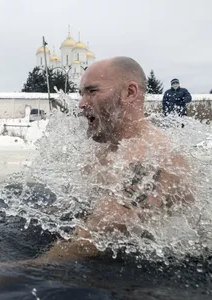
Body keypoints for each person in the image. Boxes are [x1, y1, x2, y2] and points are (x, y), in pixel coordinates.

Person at [35, 57, 194, 262]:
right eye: (81, 94)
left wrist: (11, 275)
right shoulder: (103, 151)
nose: (82, 104)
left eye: (92, 92)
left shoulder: (154, 156)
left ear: (130, 92)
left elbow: (93, 238)